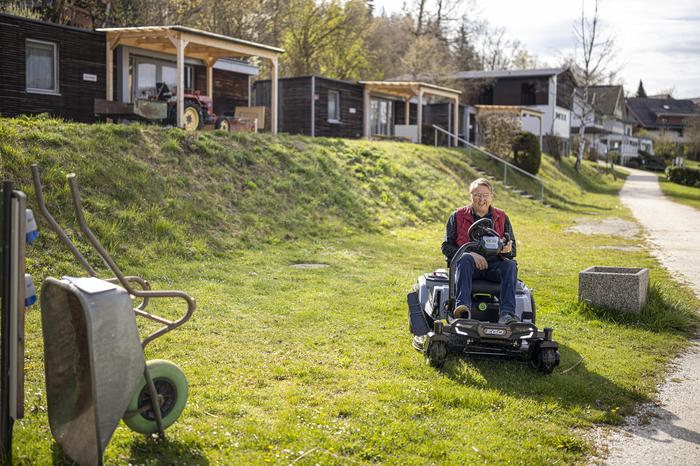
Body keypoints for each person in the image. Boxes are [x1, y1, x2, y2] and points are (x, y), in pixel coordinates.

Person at [441, 178, 519, 324]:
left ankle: (507, 315)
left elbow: (512, 249)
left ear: (491, 196)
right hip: (468, 267)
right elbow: (446, 246)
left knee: (510, 265)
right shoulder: (457, 216)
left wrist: (507, 250)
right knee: (464, 259)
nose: (481, 199)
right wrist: (469, 253)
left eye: (485, 195)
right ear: (470, 196)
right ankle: (462, 310)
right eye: (477, 195)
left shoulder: (502, 217)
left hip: (494, 266)